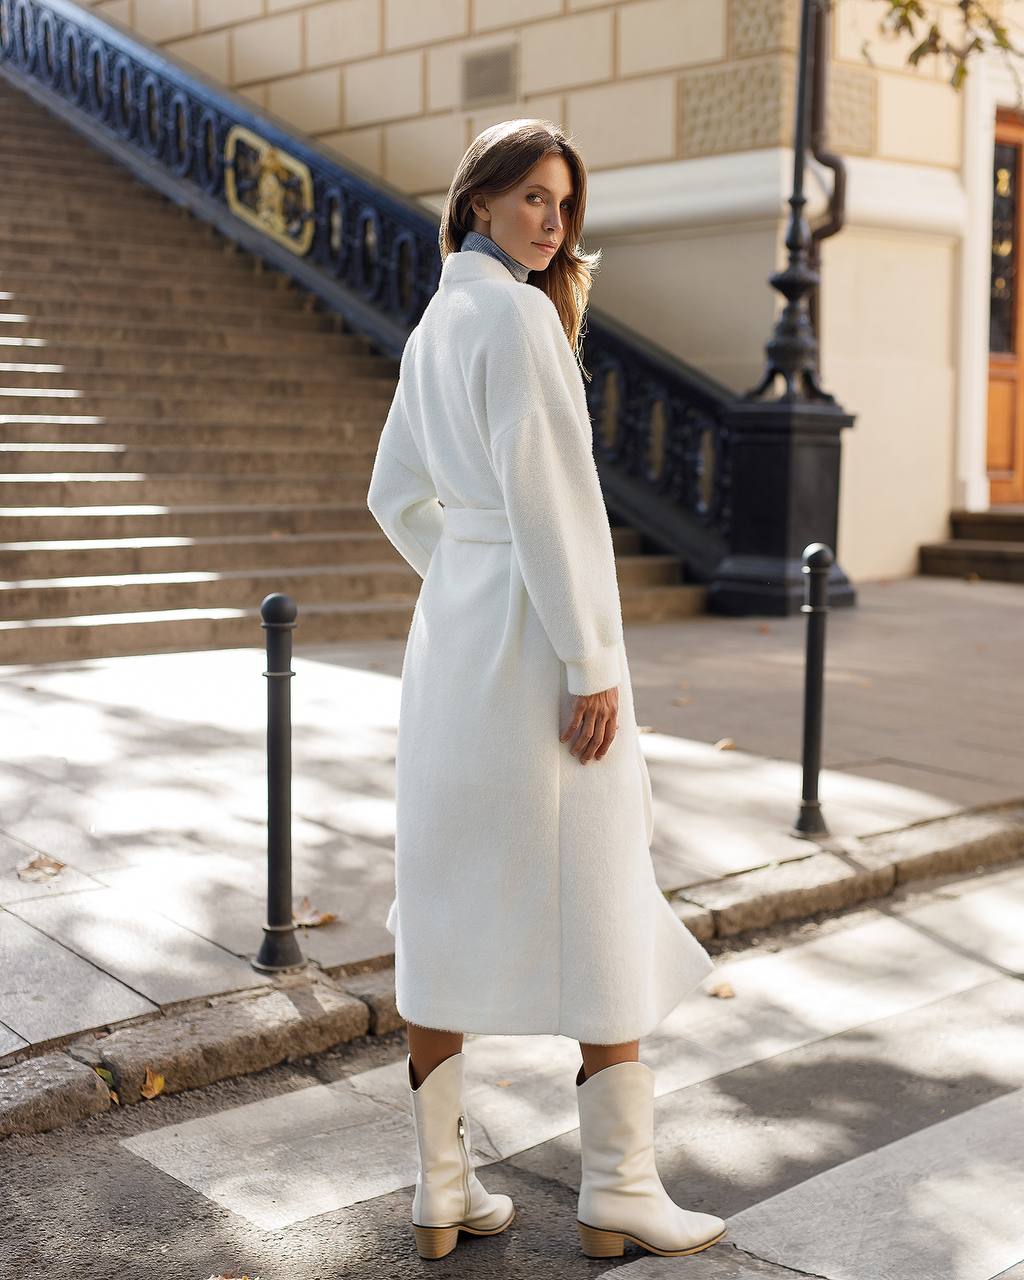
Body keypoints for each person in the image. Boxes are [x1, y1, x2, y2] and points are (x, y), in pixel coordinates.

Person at [366, 119, 726, 1262]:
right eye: (528, 196)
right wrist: (589, 662)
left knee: (441, 894)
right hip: (534, 651)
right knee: (600, 889)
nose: (549, 221)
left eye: (562, 204)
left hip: (452, 645)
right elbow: (557, 503)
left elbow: (392, 496)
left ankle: (439, 1189)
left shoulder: (437, 320)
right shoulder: (518, 317)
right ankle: (618, 1187)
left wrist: (464, 576)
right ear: (478, 202)